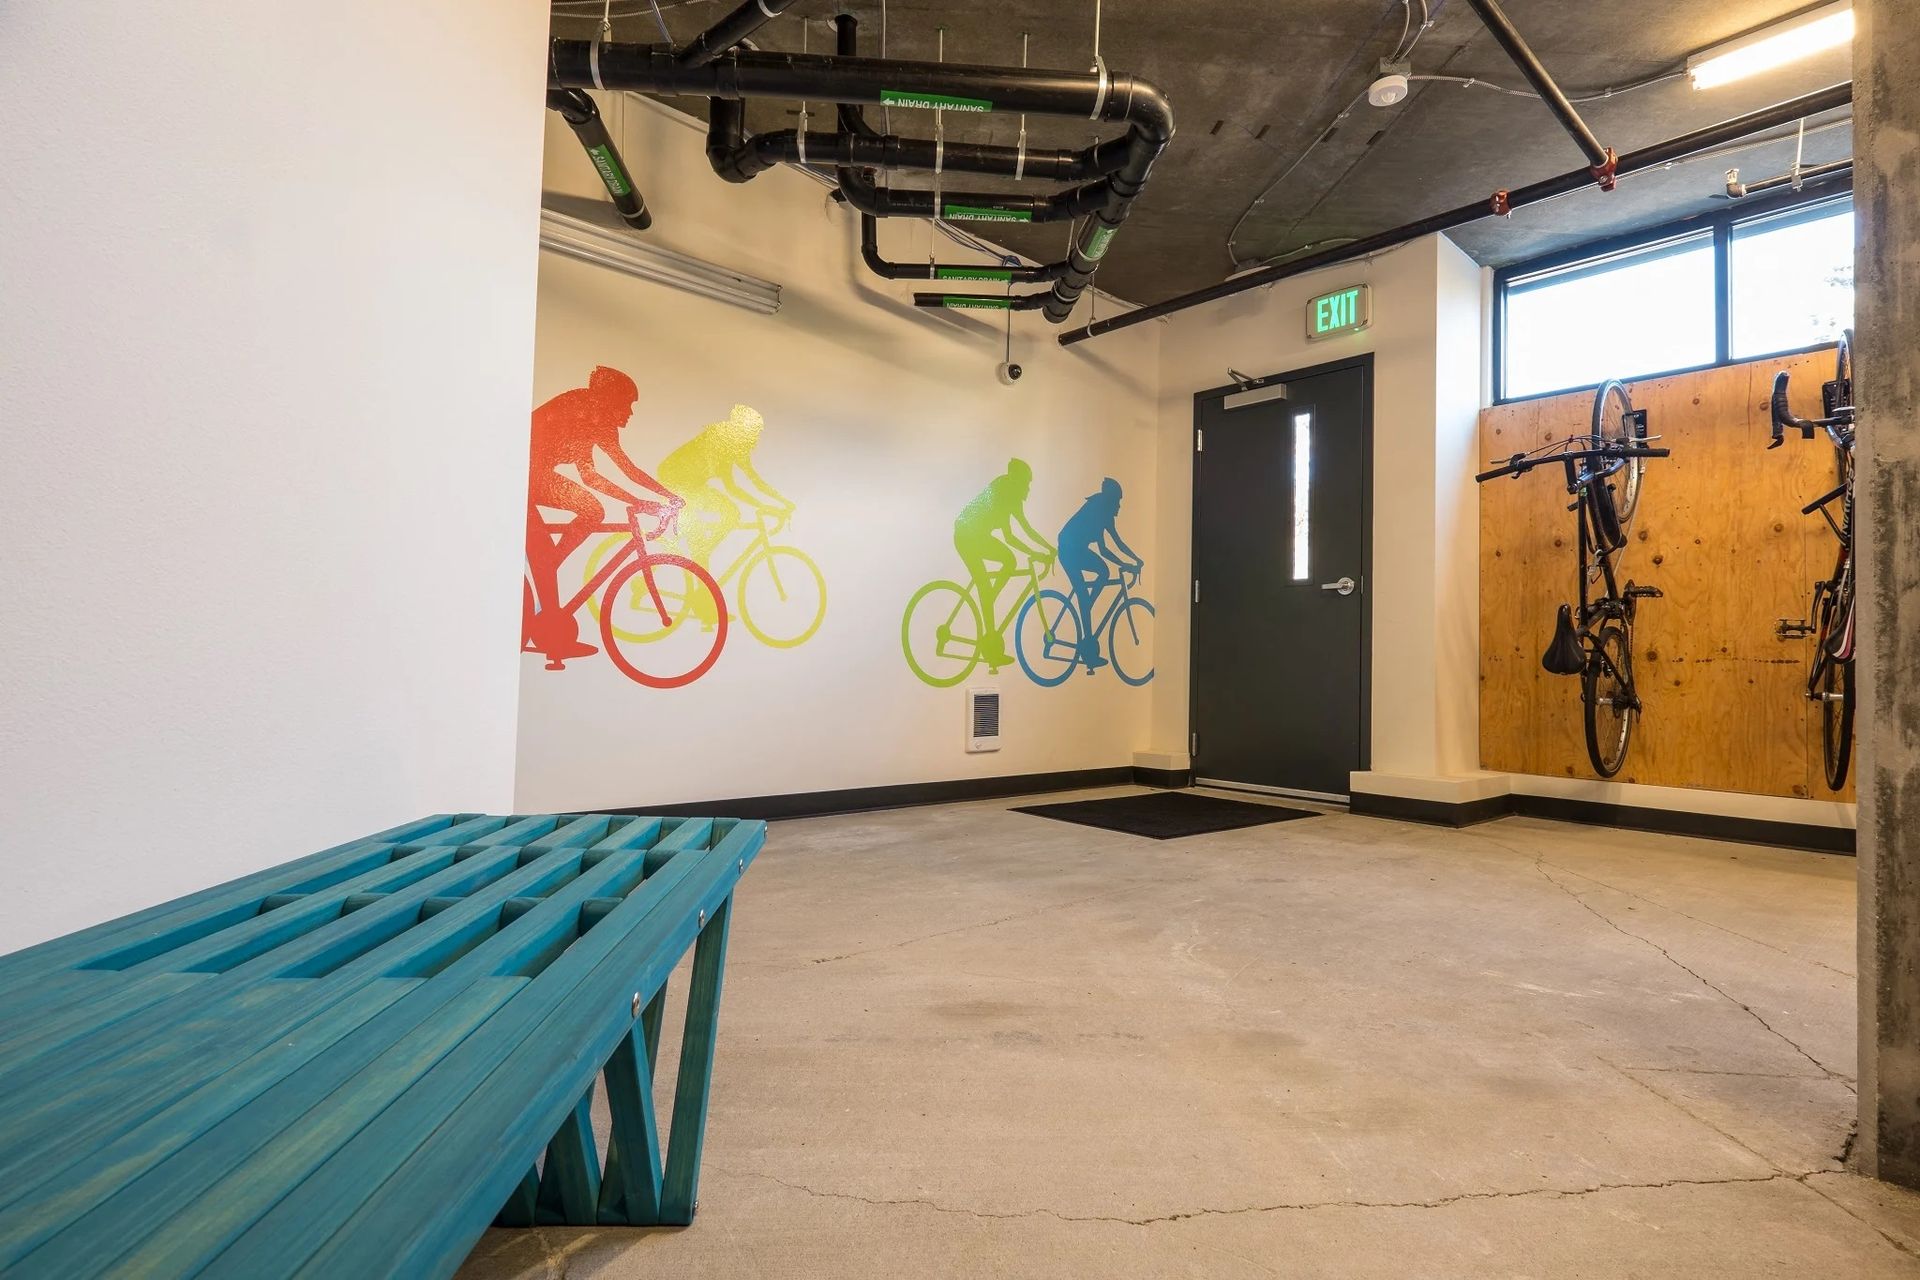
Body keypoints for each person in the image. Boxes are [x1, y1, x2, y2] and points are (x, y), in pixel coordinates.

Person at [524, 365, 682, 661]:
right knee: (589, 511)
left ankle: (548, 571)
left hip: (535, 473)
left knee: (587, 513)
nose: (630, 413)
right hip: (521, 471)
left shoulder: (599, 421)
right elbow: (591, 478)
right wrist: (641, 502)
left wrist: (667, 498)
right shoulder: (581, 408)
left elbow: (625, 470)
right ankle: (551, 610)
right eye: (628, 404)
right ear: (610, 400)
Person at [656, 404, 792, 628]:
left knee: (729, 513)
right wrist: (770, 505)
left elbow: (747, 483)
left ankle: (704, 592)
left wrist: (778, 503)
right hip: (677, 480)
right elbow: (736, 484)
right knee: (702, 537)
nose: (755, 439)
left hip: (691, 484)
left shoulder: (733, 448)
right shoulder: (718, 438)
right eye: (753, 433)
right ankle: (704, 601)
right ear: (742, 430)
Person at [954, 458, 1054, 669]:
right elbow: (1012, 536)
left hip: (977, 535)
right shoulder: (1001, 492)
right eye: (1026, 483)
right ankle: (990, 649)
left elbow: (1022, 531)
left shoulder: (1011, 496)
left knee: (1008, 561)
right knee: (987, 582)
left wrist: (1045, 550)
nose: (1028, 489)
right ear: (1016, 481)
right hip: (966, 535)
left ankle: (990, 598)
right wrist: (1040, 552)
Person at [1055, 478, 1143, 670]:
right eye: (1117, 501)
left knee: (1102, 572)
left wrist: (1136, 560)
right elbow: (1104, 550)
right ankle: (1089, 653)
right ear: (1110, 500)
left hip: (1078, 549)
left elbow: (1118, 543)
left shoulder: (1105, 515)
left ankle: (1087, 605)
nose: (1119, 506)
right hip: (1069, 550)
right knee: (1096, 580)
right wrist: (1125, 564)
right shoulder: (1096, 510)